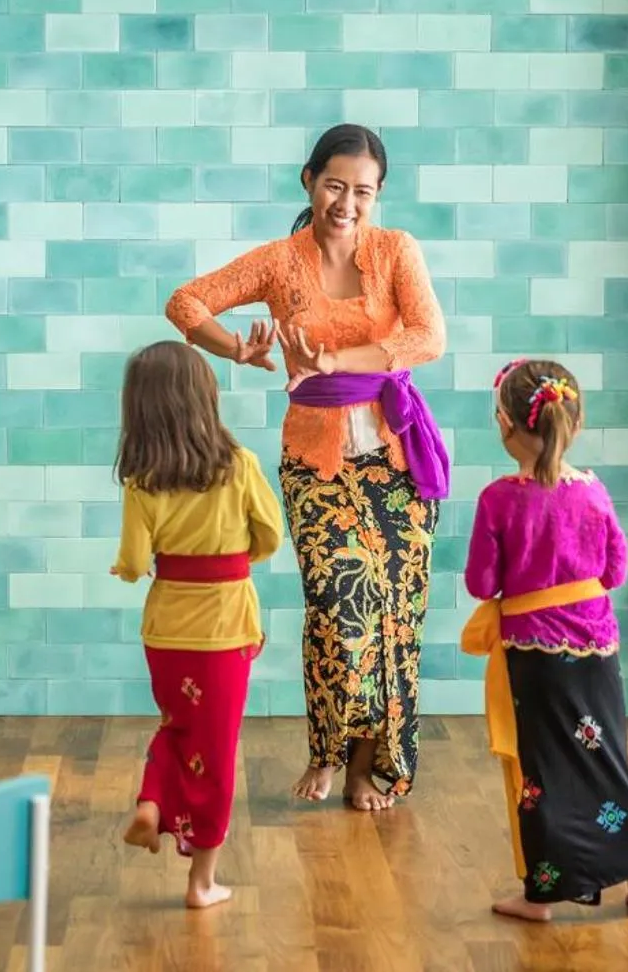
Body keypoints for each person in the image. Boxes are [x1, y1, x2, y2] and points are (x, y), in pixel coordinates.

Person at [164, 123, 449, 812]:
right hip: (314, 464)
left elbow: (428, 337)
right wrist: (235, 348)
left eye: (363, 191)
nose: (346, 203)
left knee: (393, 615)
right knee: (336, 605)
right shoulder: (277, 262)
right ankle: (325, 749)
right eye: (334, 186)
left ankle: (362, 770)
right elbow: (185, 302)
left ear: (378, 195)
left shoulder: (396, 250)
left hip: (396, 459)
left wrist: (339, 360)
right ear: (308, 181)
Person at [461, 358, 628, 921]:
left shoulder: (498, 499)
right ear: (574, 422)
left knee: (543, 773)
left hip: (535, 657)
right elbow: (615, 571)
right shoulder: (594, 492)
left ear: (505, 424)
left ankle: (541, 896)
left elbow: (481, 583)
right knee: (610, 759)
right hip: (598, 647)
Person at [113, 340, 283, 909]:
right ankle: (202, 882)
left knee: (177, 726)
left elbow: (134, 562)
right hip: (225, 629)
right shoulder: (240, 466)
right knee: (216, 747)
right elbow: (270, 535)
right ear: (205, 397)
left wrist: (127, 568)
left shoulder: (141, 482)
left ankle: (151, 802)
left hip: (166, 631)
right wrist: (235, 558)